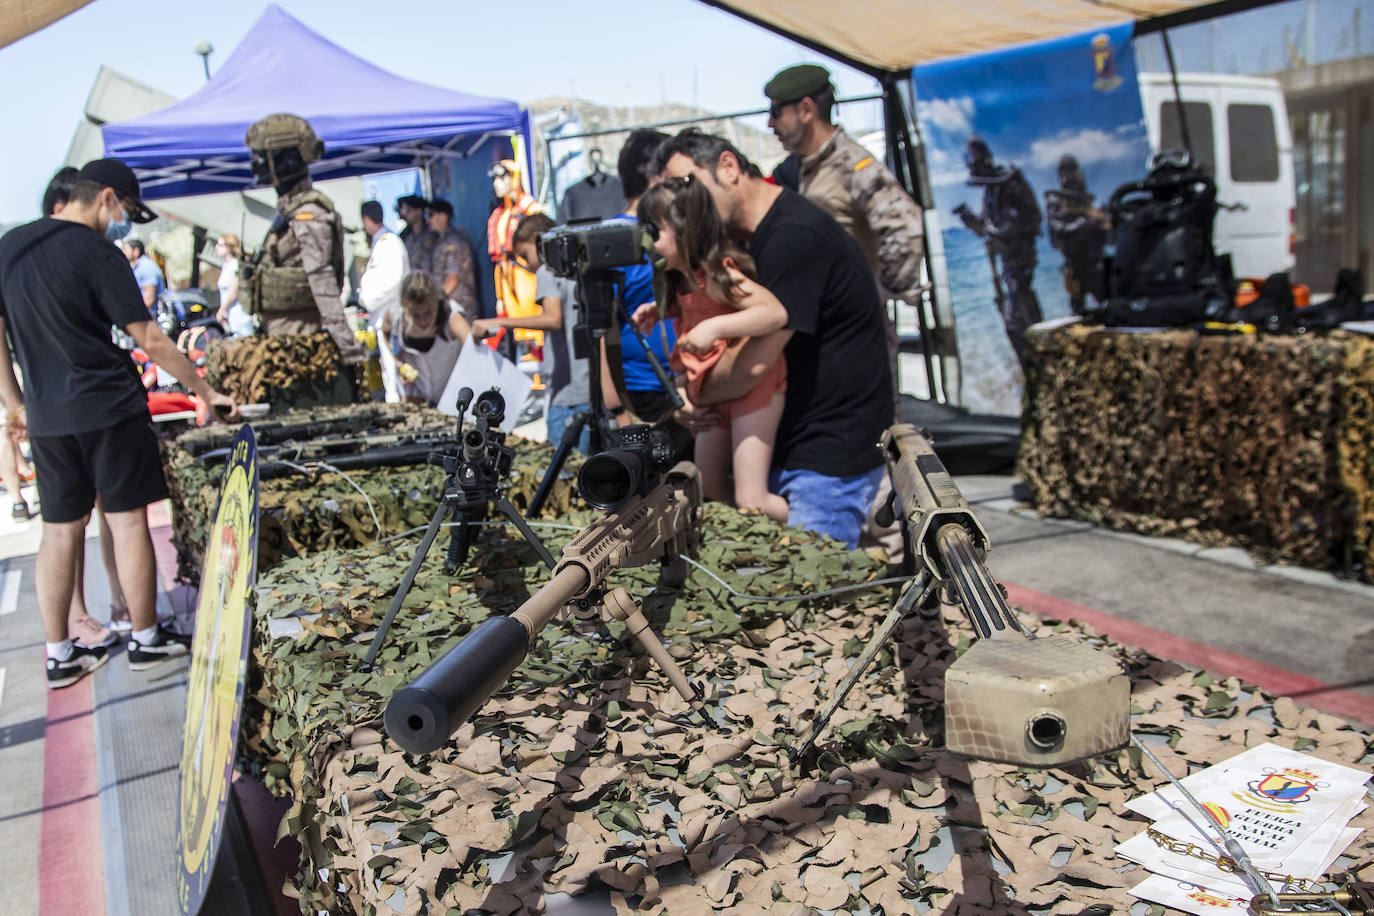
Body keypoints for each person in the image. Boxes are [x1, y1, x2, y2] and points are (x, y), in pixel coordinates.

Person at [0, 157, 238, 688]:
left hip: (47, 417)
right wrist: (203, 390)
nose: (124, 221)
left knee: (60, 531)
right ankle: (146, 637)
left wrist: (15, 403)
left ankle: (59, 653)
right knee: (127, 522)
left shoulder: (10, 247)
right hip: (108, 408)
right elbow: (148, 337)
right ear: (106, 197)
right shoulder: (98, 252)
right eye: (126, 209)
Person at [652, 129, 892, 549]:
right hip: (793, 449)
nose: (682, 200)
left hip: (826, 460)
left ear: (728, 167)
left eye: (687, 184)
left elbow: (750, 369)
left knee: (817, 598)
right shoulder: (744, 244)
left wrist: (695, 397)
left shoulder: (793, 237)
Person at [764, 63, 929, 421]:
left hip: (859, 334)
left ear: (806, 110)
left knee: (877, 431)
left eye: (776, 111)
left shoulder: (850, 163)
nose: (770, 124)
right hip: (831, 333)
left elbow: (905, 224)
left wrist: (879, 292)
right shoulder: (809, 169)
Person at [634, 177, 789, 521]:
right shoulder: (681, 282)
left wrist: (715, 328)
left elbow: (775, 312)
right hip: (712, 389)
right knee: (709, 490)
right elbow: (693, 309)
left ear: (685, 229)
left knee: (753, 500)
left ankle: (813, 525)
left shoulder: (718, 276)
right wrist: (658, 310)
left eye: (654, 231)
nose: (649, 243)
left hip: (754, 389)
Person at [240, 113, 365, 364]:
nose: (255, 166)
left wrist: (349, 351)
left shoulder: (309, 216)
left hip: (301, 349)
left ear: (284, 160)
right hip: (282, 344)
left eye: (261, 158)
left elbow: (323, 283)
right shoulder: (290, 212)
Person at [599, 130, 692, 461]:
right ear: (656, 177)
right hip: (642, 394)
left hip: (685, 389)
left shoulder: (675, 231)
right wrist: (618, 411)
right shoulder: (612, 240)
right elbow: (599, 327)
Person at [471, 214, 593, 453]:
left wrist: (501, 323)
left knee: (565, 474)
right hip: (587, 387)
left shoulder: (548, 270)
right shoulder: (576, 268)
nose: (527, 265)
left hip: (567, 395)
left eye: (525, 255)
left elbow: (553, 318)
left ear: (538, 241)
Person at [954, 137, 1044, 368]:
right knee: (1024, 320)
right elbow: (987, 230)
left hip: (1020, 263)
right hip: (1009, 267)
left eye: (973, 157)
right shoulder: (992, 191)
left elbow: (1007, 233)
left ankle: (1035, 368)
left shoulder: (1009, 185)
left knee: (1017, 321)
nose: (971, 164)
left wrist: (984, 227)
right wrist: (972, 221)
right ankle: (1036, 369)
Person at [380, 272, 471, 406]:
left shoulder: (450, 314)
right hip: (416, 391)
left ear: (436, 302)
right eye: (415, 315)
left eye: (428, 312)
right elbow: (385, 331)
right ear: (405, 307)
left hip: (450, 390)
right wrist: (398, 361)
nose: (423, 319)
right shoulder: (395, 315)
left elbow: (473, 348)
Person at [485, 160, 543, 358]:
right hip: (508, 278)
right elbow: (498, 260)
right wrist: (499, 296)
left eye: (502, 178)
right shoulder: (500, 213)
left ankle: (540, 374)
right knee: (519, 335)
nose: (497, 183)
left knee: (534, 328)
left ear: (514, 178)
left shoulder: (530, 208)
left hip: (527, 277)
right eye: (495, 179)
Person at [1045, 154, 1108, 316]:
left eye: (1069, 171)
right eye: (1063, 172)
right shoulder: (1056, 201)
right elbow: (1059, 230)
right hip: (1075, 265)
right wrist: (1086, 223)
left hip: (1094, 262)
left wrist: (1100, 222)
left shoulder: (1083, 199)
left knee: (1108, 305)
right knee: (1078, 311)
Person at [422, 199, 479, 324]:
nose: (428, 220)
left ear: (443, 216)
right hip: (448, 306)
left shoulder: (453, 241)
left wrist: (432, 302)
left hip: (460, 307)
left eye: (431, 215)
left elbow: (452, 278)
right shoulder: (440, 241)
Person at [357, 200, 409, 328]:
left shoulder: (389, 241)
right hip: (385, 317)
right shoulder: (380, 242)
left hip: (392, 318)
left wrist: (368, 299)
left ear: (366, 219)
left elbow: (394, 280)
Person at [214, 234, 253, 336]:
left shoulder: (235, 265)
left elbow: (233, 293)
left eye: (220, 245)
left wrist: (222, 311)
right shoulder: (226, 265)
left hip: (240, 316)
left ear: (229, 247)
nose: (216, 247)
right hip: (232, 316)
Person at [123, 238, 166, 314]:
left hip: (154, 316)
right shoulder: (138, 267)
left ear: (135, 251)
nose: (123, 252)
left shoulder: (145, 267)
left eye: (126, 249)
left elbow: (149, 299)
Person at [396, 194, 435, 274]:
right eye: (402, 211)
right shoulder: (404, 237)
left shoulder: (433, 233)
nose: (404, 214)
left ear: (419, 210)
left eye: (407, 210)